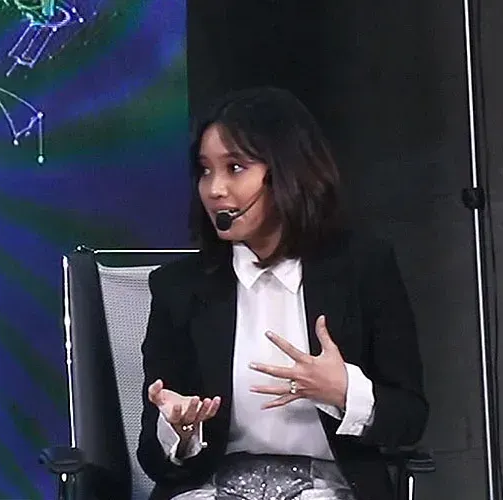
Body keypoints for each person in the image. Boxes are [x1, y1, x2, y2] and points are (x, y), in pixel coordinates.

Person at [136, 87, 428, 500]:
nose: (215, 189)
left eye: (235, 167)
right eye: (205, 171)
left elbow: (410, 418)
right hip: (211, 489)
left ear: (288, 172)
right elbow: (152, 456)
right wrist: (178, 432)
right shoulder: (179, 288)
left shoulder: (363, 267)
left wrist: (346, 392)